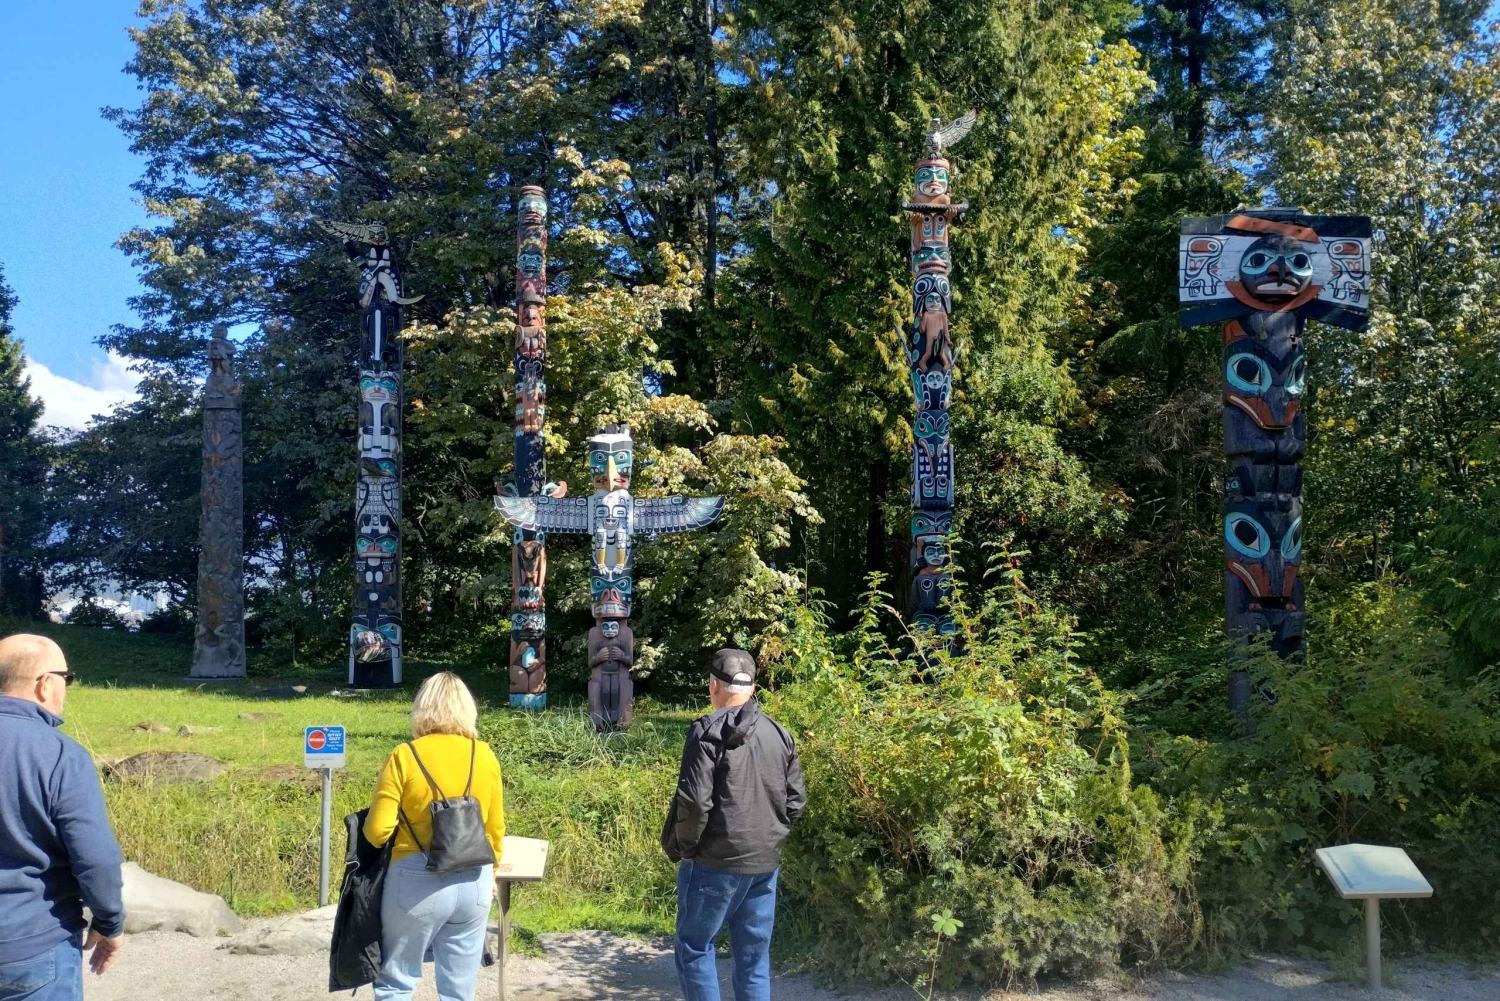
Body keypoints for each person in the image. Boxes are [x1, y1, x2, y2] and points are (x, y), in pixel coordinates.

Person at [662, 649, 806, 1001]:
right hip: (764, 863)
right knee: (754, 957)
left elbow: (695, 803)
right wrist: (770, 838)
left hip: (713, 861)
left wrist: (686, 847)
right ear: (753, 687)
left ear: (713, 685)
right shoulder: (780, 734)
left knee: (694, 947)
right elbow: (796, 802)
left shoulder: (706, 731)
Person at [363, 672, 504, 1001]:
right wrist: (493, 873)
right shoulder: (484, 754)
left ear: (422, 708)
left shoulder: (405, 755)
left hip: (416, 879)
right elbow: (495, 828)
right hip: (475, 878)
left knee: (396, 983)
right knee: (458, 990)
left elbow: (377, 832)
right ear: (467, 709)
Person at [0, 634, 125, 1000]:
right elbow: (95, 857)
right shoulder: (60, 755)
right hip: (31, 943)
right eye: (66, 678)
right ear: (44, 684)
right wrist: (109, 922)